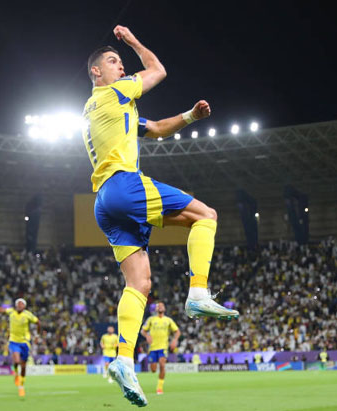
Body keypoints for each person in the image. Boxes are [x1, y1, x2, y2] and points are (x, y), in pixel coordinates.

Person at [82, 25, 239, 407]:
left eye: (121, 61)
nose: (122, 67)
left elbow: (153, 129)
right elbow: (157, 71)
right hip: (124, 186)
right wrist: (133, 42)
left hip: (104, 203)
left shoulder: (105, 110)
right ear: (96, 73)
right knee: (206, 215)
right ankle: (198, 291)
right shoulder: (114, 92)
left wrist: (189, 116)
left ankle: (122, 359)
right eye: (113, 62)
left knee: (139, 284)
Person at [0, 298, 40, 397]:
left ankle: (22, 384)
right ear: (16, 305)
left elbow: (38, 322)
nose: (20, 305)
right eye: (18, 304)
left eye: (22, 304)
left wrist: (37, 335)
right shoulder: (11, 311)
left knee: (23, 366)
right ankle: (17, 376)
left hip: (25, 343)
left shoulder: (28, 315)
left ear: (24, 306)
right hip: (14, 341)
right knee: (16, 361)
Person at [140, 302, 180, 395]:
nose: (160, 307)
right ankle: (156, 372)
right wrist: (147, 335)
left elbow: (177, 332)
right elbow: (143, 330)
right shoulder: (151, 319)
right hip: (153, 348)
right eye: (158, 306)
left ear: (164, 309)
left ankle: (159, 388)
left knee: (162, 365)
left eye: (162, 306)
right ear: (156, 309)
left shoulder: (168, 320)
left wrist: (174, 340)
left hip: (163, 347)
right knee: (153, 369)